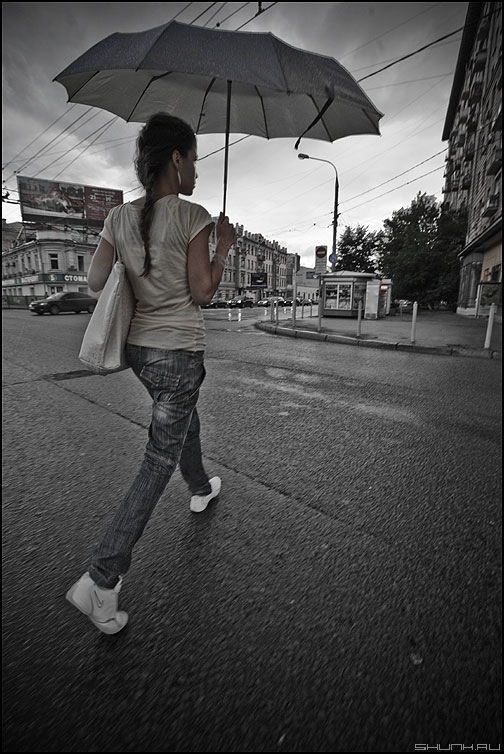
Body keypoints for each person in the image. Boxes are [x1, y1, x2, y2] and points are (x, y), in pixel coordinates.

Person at [66, 112, 236, 634]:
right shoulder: (193, 215)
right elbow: (203, 293)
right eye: (195, 161)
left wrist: (132, 251)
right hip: (179, 352)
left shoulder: (119, 216)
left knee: (181, 419)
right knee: (158, 456)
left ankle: (200, 485)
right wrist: (222, 247)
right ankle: (102, 577)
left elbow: (95, 280)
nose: (198, 172)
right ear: (176, 159)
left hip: (141, 350)